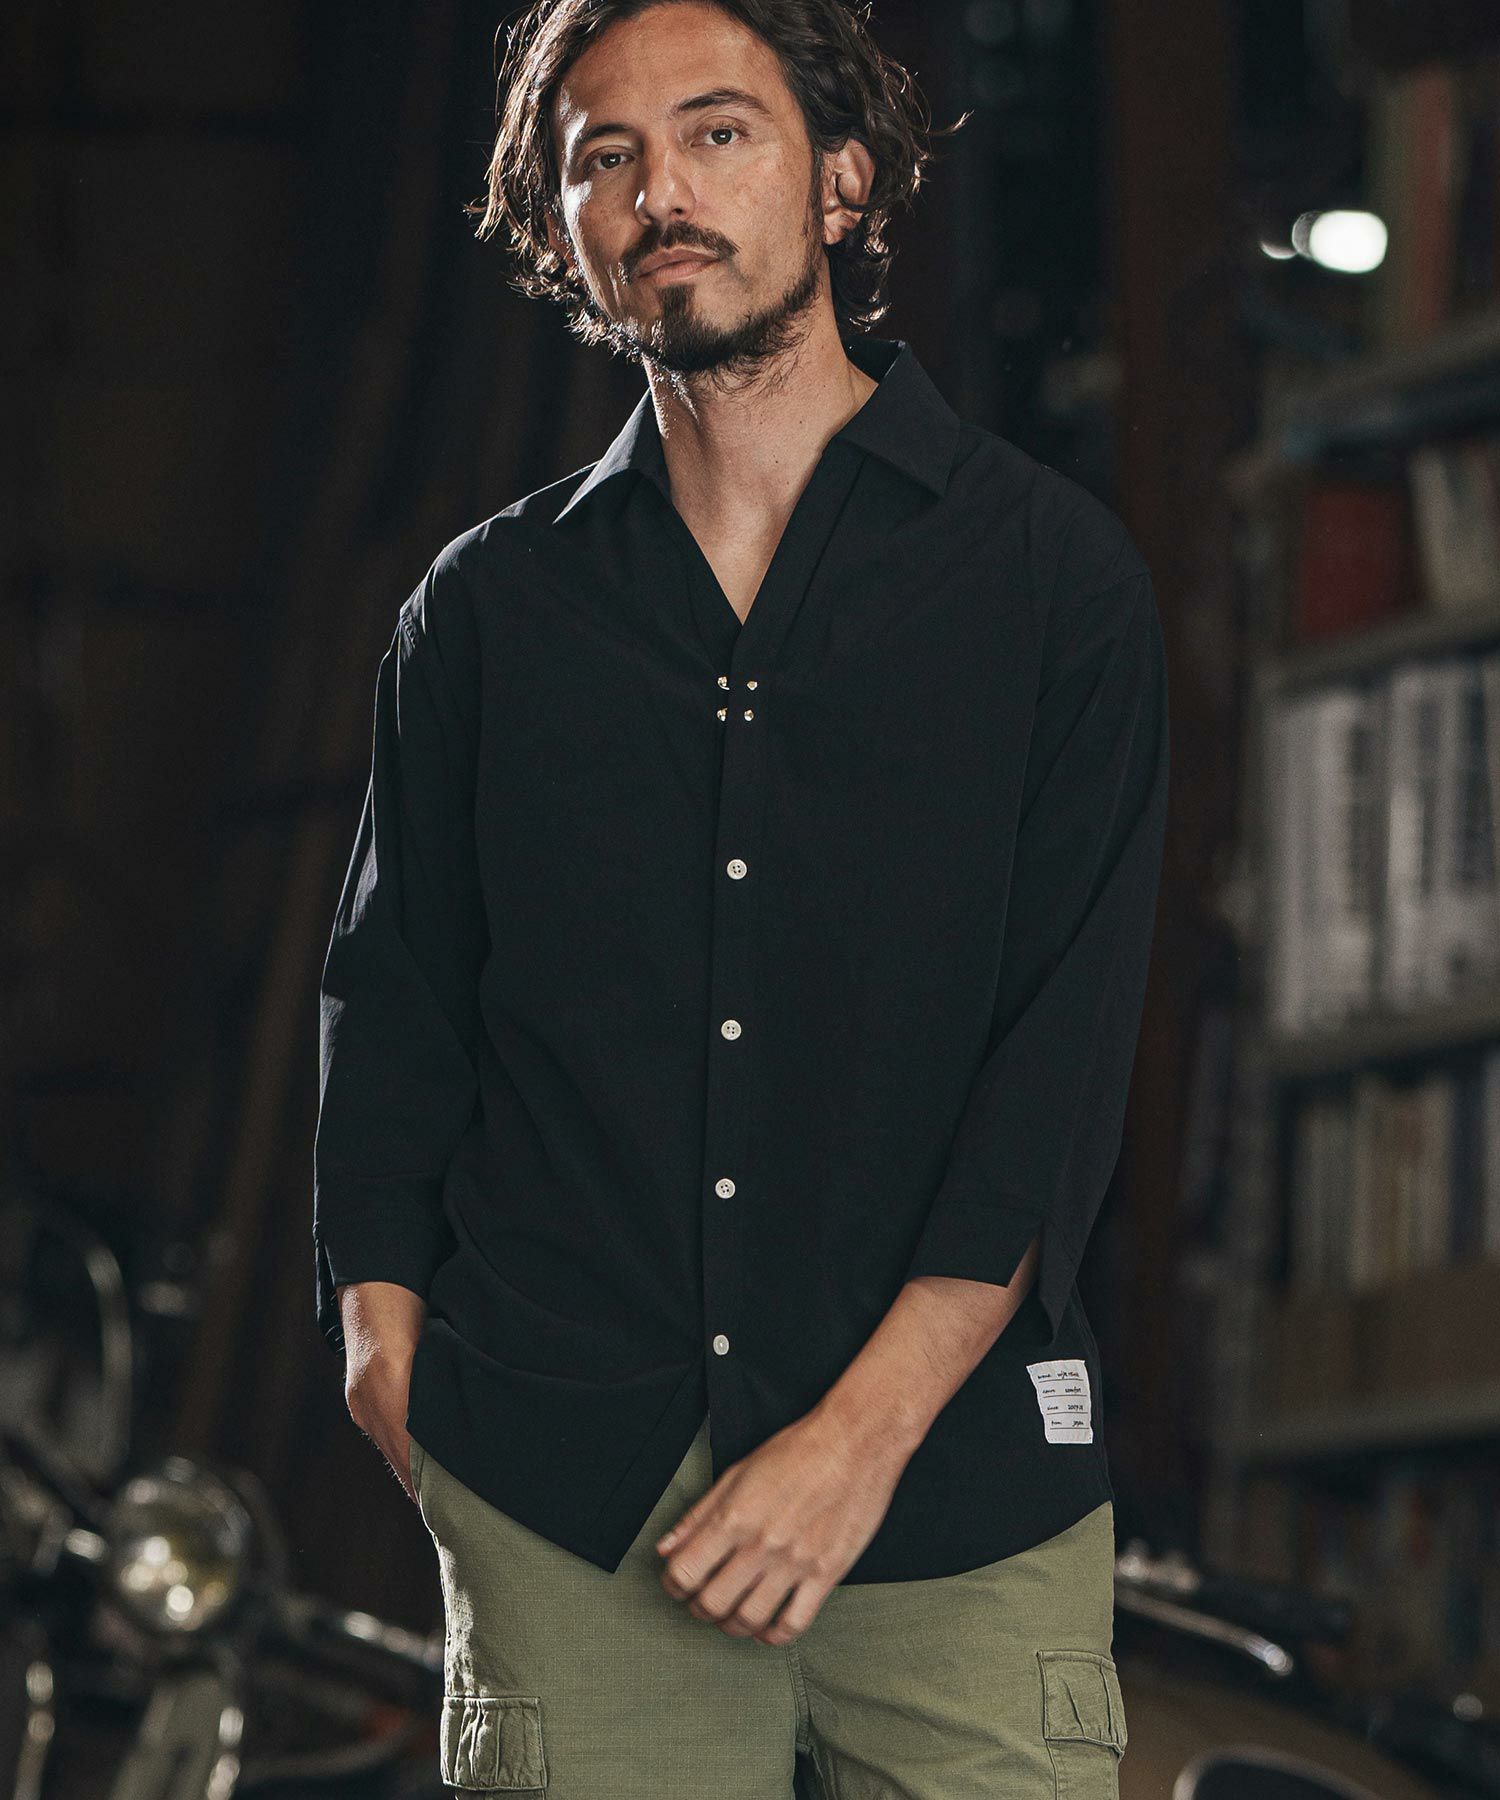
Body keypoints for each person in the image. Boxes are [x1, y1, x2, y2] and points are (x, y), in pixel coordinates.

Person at [312, 1, 1169, 1794]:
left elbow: (1058, 1070)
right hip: (572, 1504)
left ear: (841, 182)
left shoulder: (1049, 581)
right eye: (605, 158)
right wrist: (387, 1360)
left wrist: (857, 1441)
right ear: (561, 228)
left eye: (717, 133)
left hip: (951, 1504)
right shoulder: (483, 617)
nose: (661, 194)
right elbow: (394, 1015)